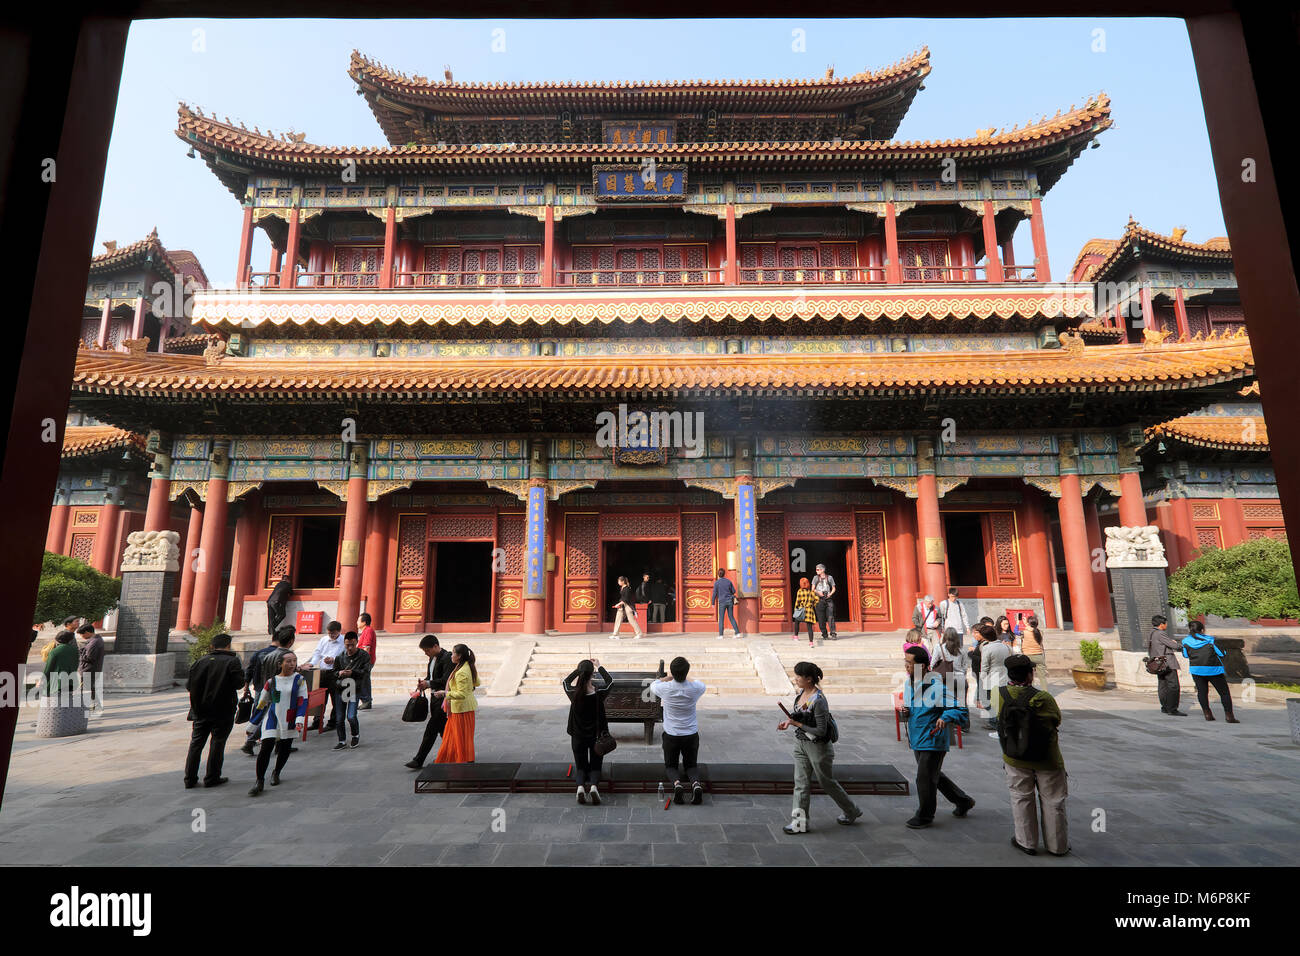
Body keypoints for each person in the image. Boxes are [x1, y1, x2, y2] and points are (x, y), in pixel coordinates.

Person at [997, 654, 1069, 855]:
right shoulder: (1043, 698)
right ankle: (1057, 846)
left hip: (1014, 756)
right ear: (1030, 674)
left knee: (1021, 797)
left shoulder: (999, 694)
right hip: (1046, 757)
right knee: (1053, 800)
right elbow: (1056, 719)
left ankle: (1026, 841)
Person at [779, 662, 862, 833]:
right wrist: (789, 722)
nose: (795, 679)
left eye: (798, 676)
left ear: (809, 679)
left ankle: (851, 810)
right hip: (800, 744)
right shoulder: (802, 693)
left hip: (819, 747)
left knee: (826, 782)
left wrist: (797, 723)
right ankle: (799, 823)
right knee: (800, 783)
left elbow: (821, 731)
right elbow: (800, 716)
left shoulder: (819, 701)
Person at [902, 645, 974, 829]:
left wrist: (945, 716)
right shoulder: (910, 683)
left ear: (924, 666)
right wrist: (907, 710)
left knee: (924, 778)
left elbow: (960, 710)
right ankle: (963, 801)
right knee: (933, 775)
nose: (906, 667)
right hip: (918, 737)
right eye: (905, 662)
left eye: (910, 663)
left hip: (933, 738)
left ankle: (925, 815)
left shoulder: (937, 687)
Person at [184, 632, 245, 789]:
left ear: (212, 646)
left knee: (196, 744)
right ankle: (212, 777)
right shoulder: (232, 662)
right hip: (223, 710)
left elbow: (189, 686)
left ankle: (189, 779)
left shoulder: (200, 661)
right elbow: (239, 684)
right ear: (228, 645)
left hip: (200, 710)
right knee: (217, 743)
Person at [248, 651, 308, 796]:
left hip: (290, 718)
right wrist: (253, 723)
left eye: (294, 661)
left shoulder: (299, 680)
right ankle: (259, 780)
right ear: (280, 663)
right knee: (266, 747)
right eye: (288, 661)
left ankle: (277, 772)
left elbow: (303, 700)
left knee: (285, 747)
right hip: (273, 717)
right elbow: (261, 703)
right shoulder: (271, 682)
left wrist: (300, 718)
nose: (292, 664)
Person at [649, 656, 707, 805]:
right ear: (686, 671)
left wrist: (669, 677)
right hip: (691, 734)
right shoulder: (695, 689)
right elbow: (700, 683)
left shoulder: (665, 688)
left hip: (671, 734)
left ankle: (677, 784)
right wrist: (684, 675)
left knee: (671, 765)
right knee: (691, 765)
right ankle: (696, 785)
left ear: (673, 672)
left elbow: (654, 684)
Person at [563, 658, 614, 804]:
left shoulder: (573, 693)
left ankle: (580, 788)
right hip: (596, 737)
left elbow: (565, 682)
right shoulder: (599, 693)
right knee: (595, 764)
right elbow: (610, 682)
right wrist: (599, 666)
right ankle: (593, 787)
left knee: (580, 766)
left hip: (578, 737)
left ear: (580, 674)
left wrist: (579, 670)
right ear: (592, 674)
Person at [241, 626, 296, 755]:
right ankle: (252, 740)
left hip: (264, 688)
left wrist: (246, 685)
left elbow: (251, 670)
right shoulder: (285, 656)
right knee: (272, 715)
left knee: (262, 714)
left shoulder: (263, 654)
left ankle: (272, 742)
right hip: (278, 691)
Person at [407, 634, 454, 769]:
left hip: (443, 699)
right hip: (434, 699)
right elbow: (431, 676)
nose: (426, 653)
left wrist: (429, 683)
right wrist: (424, 682)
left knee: (431, 730)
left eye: (427, 650)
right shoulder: (432, 659)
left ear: (435, 646)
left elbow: (446, 680)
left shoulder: (447, 659)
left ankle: (419, 759)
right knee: (443, 730)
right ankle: (457, 753)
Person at [1182, 620, 1238, 723]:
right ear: (1202, 629)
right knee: (1224, 693)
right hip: (1214, 670)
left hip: (1196, 670)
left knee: (1202, 692)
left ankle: (1207, 714)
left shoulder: (1185, 641)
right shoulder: (1210, 640)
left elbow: (1185, 655)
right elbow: (1221, 654)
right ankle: (1229, 716)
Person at [434, 644, 480, 763]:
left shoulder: (461, 671)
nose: (451, 656)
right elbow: (477, 682)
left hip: (462, 710)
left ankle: (460, 761)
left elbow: (462, 694)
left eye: (453, 653)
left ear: (459, 656)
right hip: (462, 709)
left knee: (459, 738)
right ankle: (457, 759)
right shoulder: (465, 666)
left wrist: (445, 693)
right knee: (457, 737)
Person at [332, 631, 371, 751]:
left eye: (352, 645)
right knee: (339, 718)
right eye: (347, 645)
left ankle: (355, 735)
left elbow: (366, 672)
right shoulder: (340, 656)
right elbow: (333, 672)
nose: (349, 648)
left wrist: (353, 673)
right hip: (341, 688)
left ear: (356, 643)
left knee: (351, 716)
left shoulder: (364, 656)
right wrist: (339, 673)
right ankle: (342, 740)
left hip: (354, 688)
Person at [304, 620, 345, 731]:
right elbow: (317, 653)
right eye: (329, 633)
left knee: (336, 699)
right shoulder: (324, 640)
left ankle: (333, 723)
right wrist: (311, 663)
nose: (331, 635)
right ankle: (317, 721)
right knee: (319, 698)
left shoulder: (344, 641)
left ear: (339, 632)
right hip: (322, 672)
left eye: (334, 633)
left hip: (335, 673)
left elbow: (345, 657)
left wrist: (334, 660)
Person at [1147, 614, 1186, 716]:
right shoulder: (1160, 633)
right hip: (1167, 663)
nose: (1166, 625)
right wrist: (1176, 644)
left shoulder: (1151, 633)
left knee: (1163, 685)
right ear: (1161, 624)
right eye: (1166, 623)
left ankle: (1165, 706)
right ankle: (1172, 708)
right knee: (1173, 686)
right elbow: (1174, 645)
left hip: (1158, 663)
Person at [978, 622, 1011, 734]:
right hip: (1005, 675)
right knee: (1001, 700)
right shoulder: (1005, 646)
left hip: (992, 677)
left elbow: (985, 666)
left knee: (989, 701)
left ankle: (994, 722)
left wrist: (982, 678)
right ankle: (1000, 720)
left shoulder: (987, 648)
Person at [42, 626, 78, 700]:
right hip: (71, 681)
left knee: (58, 705)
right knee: (68, 703)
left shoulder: (55, 651)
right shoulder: (75, 650)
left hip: (58, 683)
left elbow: (48, 668)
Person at [75, 623, 104, 713]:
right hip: (91, 669)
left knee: (86, 690)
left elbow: (89, 658)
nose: (81, 636)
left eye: (82, 634)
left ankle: (85, 708)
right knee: (90, 689)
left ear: (87, 632)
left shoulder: (94, 643)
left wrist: (78, 655)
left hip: (89, 669)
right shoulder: (95, 640)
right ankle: (96, 706)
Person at [609, 575, 643, 640]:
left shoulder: (627, 588)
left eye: (619, 581)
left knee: (631, 620)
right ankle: (615, 634)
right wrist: (619, 604)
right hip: (622, 606)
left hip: (628, 606)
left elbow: (626, 599)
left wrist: (618, 604)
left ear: (622, 581)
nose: (618, 582)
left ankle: (639, 633)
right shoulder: (622, 588)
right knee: (618, 619)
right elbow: (623, 598)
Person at [355, 613, 377, 709]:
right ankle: (366, 700)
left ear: (364, 622)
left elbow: (366, 647)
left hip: (366, 661)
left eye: (358, 620)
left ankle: (366, 700)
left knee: (363, 681)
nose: (357, 622)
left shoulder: (368, 631)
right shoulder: (366, 631)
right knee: (364, 680)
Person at [811, 564, 838, 641]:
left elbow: (833, 588)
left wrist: (830, 594)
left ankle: (833, 633)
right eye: (816, 569)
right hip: (819, 599)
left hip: (828, 599)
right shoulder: (815, 578)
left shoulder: (829, 578)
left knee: (830, 616)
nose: (816, 571)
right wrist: (818, 592)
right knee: (821, 618)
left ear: (823, 570)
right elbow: (812, 589)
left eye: (818, 569)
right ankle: (824, 634)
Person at [712, 568, 740, 639]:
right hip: (730, 601)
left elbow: (714, 593)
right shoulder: (728, 582)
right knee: (731, 617)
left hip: (722, 602)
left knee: (721, 618)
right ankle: (737, 633)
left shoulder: (717, 583)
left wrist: (713, 603)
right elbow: (733, 591)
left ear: (718, 574)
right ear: (724, 574)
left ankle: (721, 635)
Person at [792, 577, 817, 645]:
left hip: (801, 610)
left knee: (797, 622)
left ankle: (796, 636)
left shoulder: (800, 591)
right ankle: (811, 642)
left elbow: (797, 601)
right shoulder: (811, 592)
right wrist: (812, 605)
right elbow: (816, 600)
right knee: (809, 627)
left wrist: (795, 609)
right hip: (809, 611)